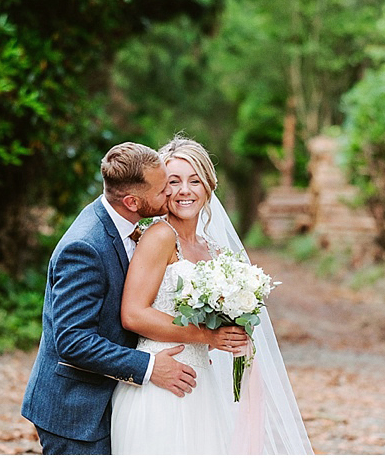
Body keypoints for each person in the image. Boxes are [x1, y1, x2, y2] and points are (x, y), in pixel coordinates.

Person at [111, 135, 311, 456]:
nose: (184, 190)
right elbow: (133, 314)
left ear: (208, 186)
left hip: (201, 386)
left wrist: (234, 334)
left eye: (194, 180)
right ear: (162, 188)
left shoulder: (215, 251)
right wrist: (208, 335)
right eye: (173, 182)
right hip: (161, 382)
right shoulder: (159, 236)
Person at [22, 144, 199, 455]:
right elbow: (73, 340)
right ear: (132, 201)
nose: (169, 196)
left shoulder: (128, 224)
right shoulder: (84, 247)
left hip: (112, 397)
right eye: (162, 191)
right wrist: (149, 366)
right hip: (75, 410)